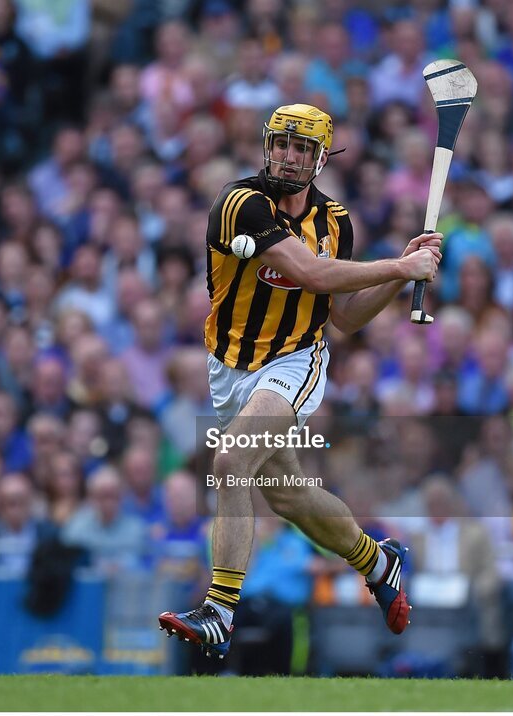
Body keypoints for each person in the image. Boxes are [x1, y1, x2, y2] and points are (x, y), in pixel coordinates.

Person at [158, 103, 442, 658]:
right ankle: (378, 560)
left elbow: (345, 318)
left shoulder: (335, 222)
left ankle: (219, 610)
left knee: (230, 461)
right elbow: (310, 272)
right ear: (268, 147)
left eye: (303, 149)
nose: (290, 157)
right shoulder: (239, 204)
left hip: (294, 360)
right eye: (282, 144)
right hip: (229, 366)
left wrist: (400, 274)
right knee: (287, 494)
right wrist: (398, 267)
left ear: (320, 159)